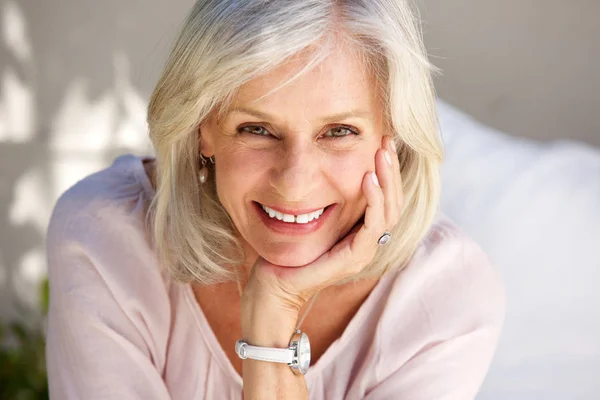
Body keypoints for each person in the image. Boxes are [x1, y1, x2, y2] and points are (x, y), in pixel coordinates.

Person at [45, 0, 505, 399]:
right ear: (202, 129)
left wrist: (274, 316)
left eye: (339, 131)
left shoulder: (446, 296)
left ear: (393, 139)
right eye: (257, 129)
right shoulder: (104, 238)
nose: (294, 182)